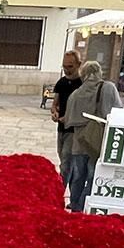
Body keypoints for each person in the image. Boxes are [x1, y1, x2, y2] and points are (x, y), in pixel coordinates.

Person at [63, 60, 122, 213]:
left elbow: (68, 121)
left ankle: (75, 207)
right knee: (92, 177)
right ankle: (84, 205)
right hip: (98, 142)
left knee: (77, 177)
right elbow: (117, 113)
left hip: (79, 143)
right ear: (99, 73)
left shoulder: (75, 94)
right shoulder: (108, 88)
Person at [49, 50, 83, 183]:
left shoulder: (82, 84)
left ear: (78, 64)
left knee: (66, 161)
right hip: (61, 127)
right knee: (62, 157)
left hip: (74, 130)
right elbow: (55, 104)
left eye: (70, 66)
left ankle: (61, 189)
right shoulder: (61, 82)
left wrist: (69, 117)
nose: (67, 70)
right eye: (64, 66)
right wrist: (54, 112)